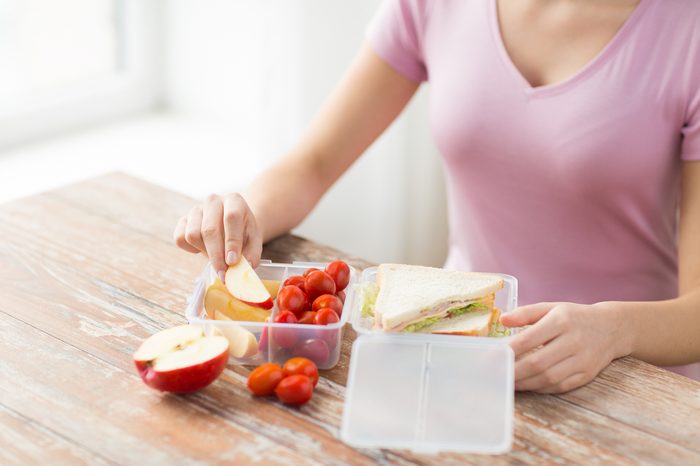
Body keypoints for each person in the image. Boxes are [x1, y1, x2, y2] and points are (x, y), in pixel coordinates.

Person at [173, 0, 700, 392]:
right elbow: (312, 166)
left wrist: (615, 330)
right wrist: (246, 216)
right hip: (451, 346)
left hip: (633, 376)